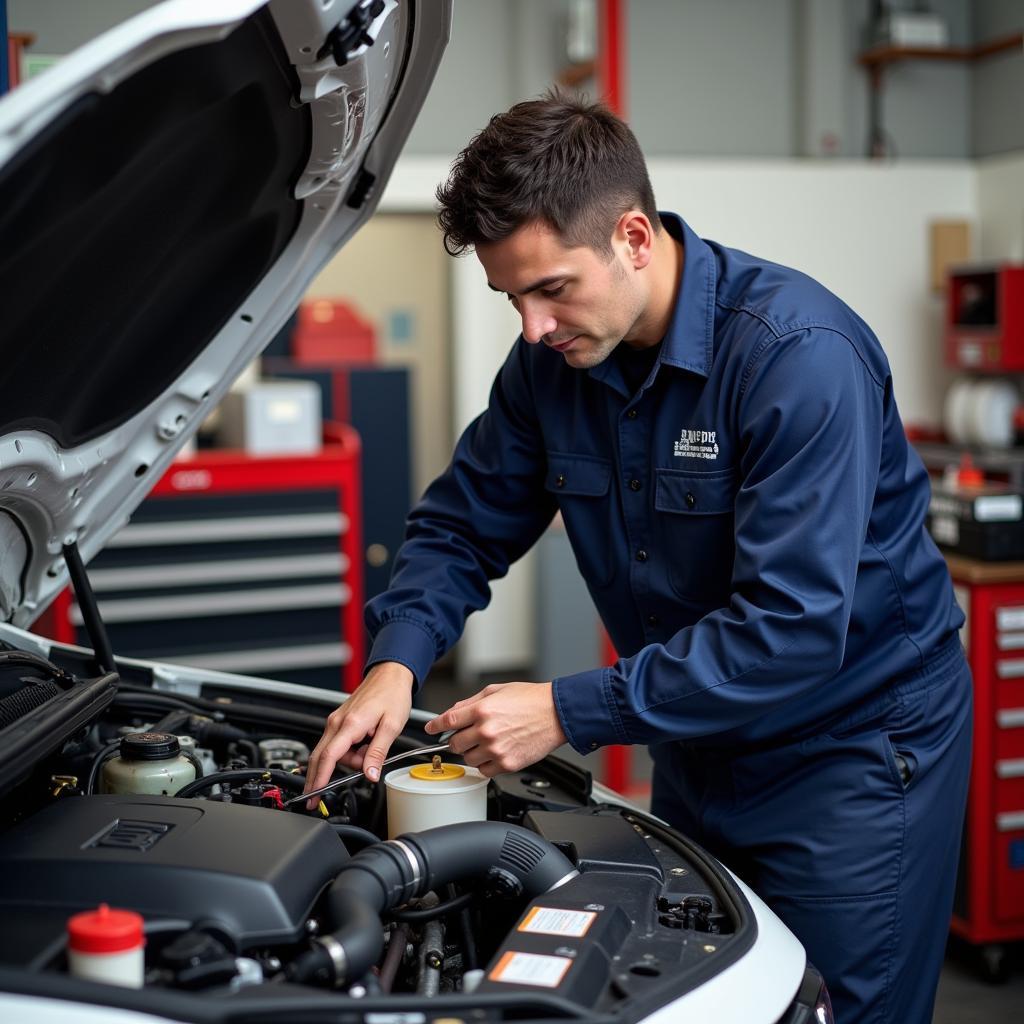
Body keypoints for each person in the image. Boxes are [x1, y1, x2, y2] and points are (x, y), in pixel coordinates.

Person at [304, 92, 972, 1022]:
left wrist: (565, 709)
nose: (533, 327)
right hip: (698, 739)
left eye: (551, 289)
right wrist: (395, 661)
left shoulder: (797, 360)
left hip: (850, 755)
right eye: (512, 298)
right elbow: (463, 523)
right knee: (708, 990)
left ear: (634, 237)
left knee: (832, 1008)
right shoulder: (553, 365)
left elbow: (791, 629)